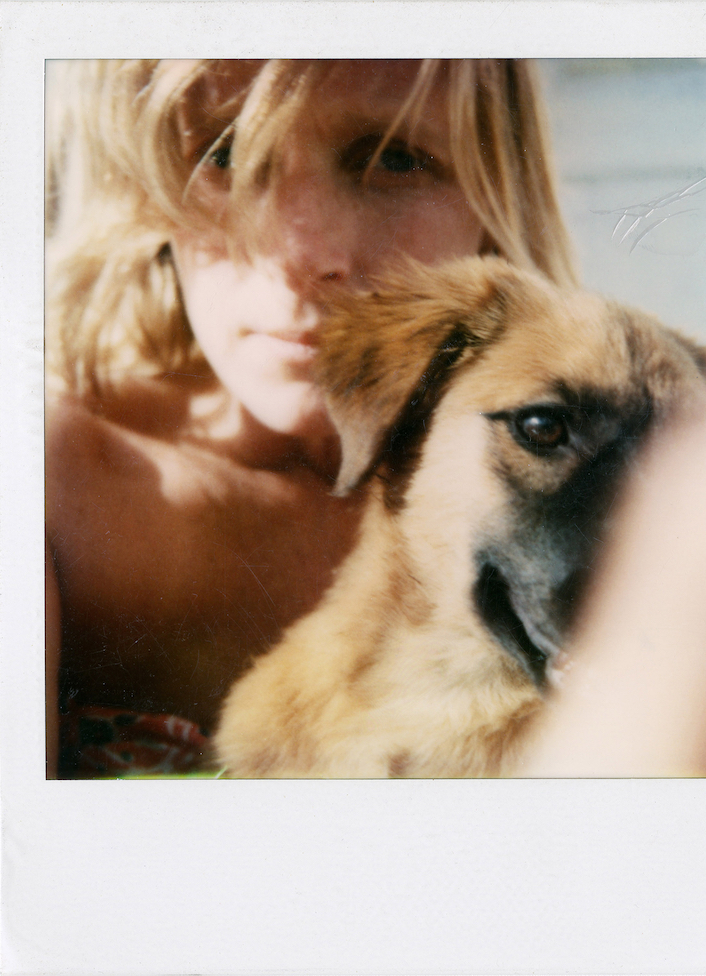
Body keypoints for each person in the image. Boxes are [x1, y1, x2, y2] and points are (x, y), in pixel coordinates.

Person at [45, 59, 576, 777]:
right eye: (224, 154)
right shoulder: (52, 484)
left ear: (497, 195)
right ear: (145, 187)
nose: (304, 254)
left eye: (393, 157)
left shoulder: (601, 481)